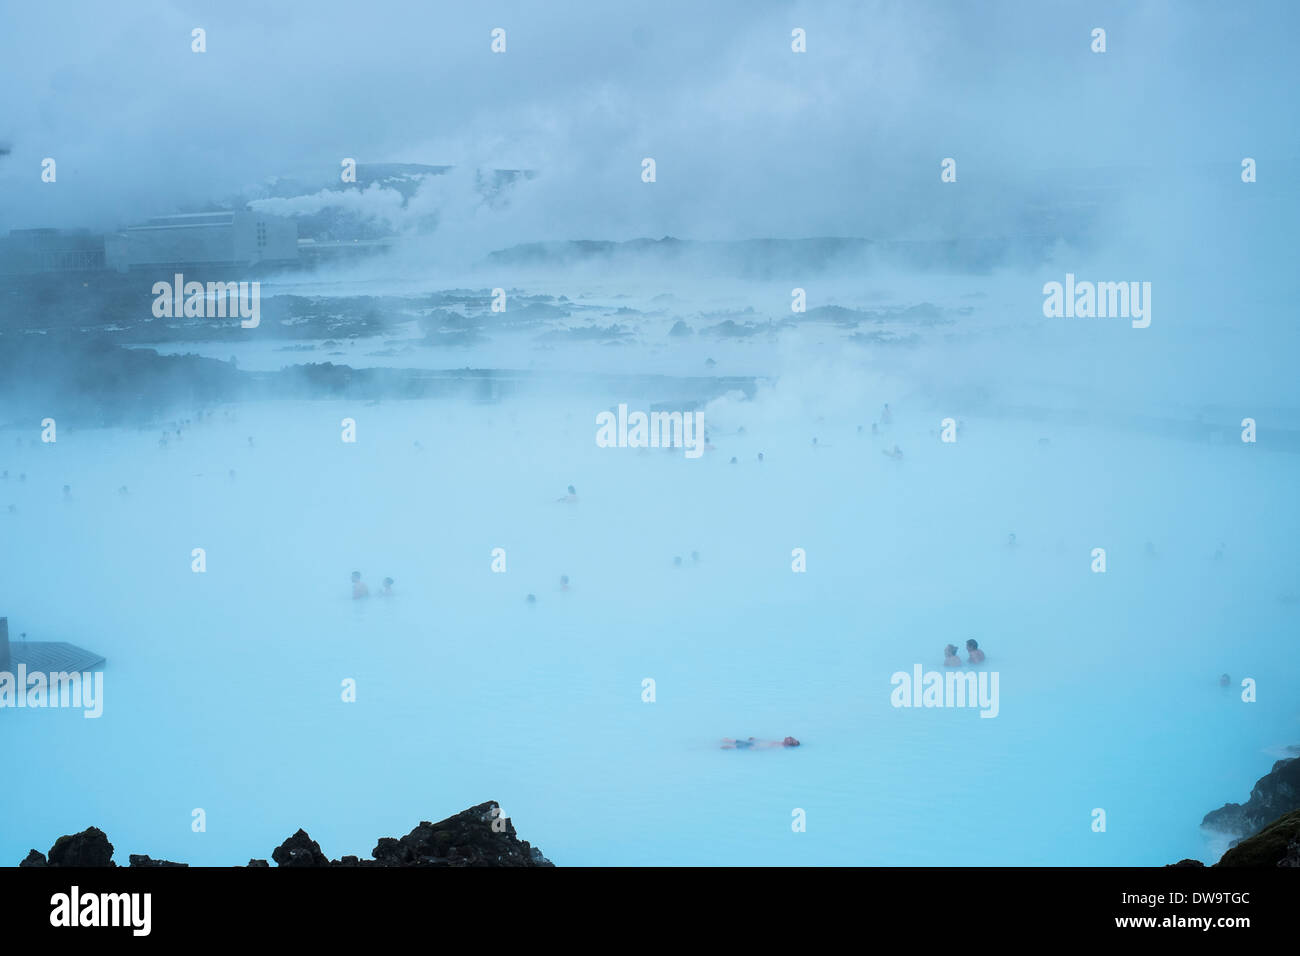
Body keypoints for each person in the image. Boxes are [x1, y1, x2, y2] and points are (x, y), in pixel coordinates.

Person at [721, 736, 800, 750]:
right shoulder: (780, 743)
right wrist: (756, 739)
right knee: (742, 743)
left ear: (789, 744)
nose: (790, 737)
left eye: (791, 739)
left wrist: (757, 749)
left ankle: (729, 747)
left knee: (742, 746)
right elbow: (768, 742)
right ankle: (728, 741)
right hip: (757, 744)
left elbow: (768, 748)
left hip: (756, 746)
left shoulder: (780, 746)